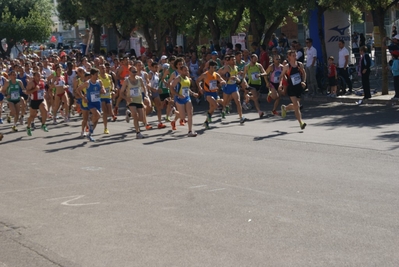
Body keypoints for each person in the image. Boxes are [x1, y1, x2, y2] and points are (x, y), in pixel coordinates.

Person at [119, 66, 150, 139]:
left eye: (136, 71)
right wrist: (126, 98)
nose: (134, 73)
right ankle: (138, 133)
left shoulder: (140, 79)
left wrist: (146, 96)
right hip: (131, 100)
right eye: (133, 72)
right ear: (129, 72)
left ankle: (129, 114)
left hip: (139, 100)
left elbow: (144, 87)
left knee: (142, 118)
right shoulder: (127, 81)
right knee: (135, 115)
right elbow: (121, 93)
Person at [279, 50, 307, 130]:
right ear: (289, 57)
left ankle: (285, 108)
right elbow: (281, 76)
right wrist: (281, 85)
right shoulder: (287, 66)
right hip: (291, 88)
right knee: (297, 105)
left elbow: (304, 73)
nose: (295, 57)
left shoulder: (299, 64)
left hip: (299, 87)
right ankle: (301, 123)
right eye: (293, 55)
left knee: (296, 105)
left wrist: (303, 81)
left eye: (295, 55)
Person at [77, 68, 105, 142]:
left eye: (98, 74)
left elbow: (103, 88)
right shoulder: (88, 83)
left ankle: (90, 134)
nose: (97, 76)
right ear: (92, 75)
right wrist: (83, 98)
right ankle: (90, 124)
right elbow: (78, 89)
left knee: (96, 120)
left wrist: (103, 91)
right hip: (90, 103)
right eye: (96, 74)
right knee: (98, 115)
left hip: (98, 102)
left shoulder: (99, 82)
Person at [196, 60, 226, 129]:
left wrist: (222, 82)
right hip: (207, 93)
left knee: (212, 109)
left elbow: (221, 79)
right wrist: (200, 88)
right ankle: (220, 108)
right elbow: (197, 80)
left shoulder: (216, 74)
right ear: (211, 67)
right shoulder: (205, 74)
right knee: (215, 104)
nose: (215, 69)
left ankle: (206, 121)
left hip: (214, 92)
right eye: (214, 67)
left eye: (216, 67)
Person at [170, 65, 198, 137]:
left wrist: (192, 93)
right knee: (183, 117)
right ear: (181, 71)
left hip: (187, 98)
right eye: (185, 70)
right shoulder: (178, 79)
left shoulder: (188, 79)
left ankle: (190, 131)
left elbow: (187, 88)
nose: (186, 72)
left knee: (190, 113)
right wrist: (178, 95)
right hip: (179, 99)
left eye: (187, 70)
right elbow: (172, 87)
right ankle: (174, 111)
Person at [99, 64, 116, 134]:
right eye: (102, 68)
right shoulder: (98, 77)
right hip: (101, 97)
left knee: (109, 112)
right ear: (99, 69)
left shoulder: (108, 76)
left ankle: (92, 118)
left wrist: (113, 89)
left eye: (104, 68)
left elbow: (112, 83)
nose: (103, 69)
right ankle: (105, 128)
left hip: (108, 96)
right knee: (105, 112)